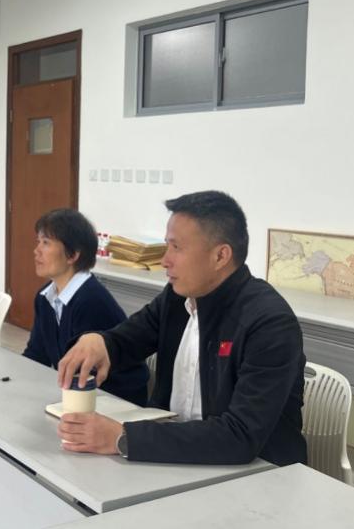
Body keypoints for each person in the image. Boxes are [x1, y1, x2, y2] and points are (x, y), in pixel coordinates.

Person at [56, 191, 306, 466]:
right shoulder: (178, 298)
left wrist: (123, 437)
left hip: (257, 472)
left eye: (176, 248)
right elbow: (127, 340)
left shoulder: (269, 323)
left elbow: (240, 436)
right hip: (174, 455)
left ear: (220, 256)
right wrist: (99, 341)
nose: (165, 260)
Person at [23, 208, 149, 405]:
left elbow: (87, 374)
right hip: (77, 392)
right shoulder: (45, 296)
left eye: (46, 243)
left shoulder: (90, 300)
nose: (36, 250)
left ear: (72, 255)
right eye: (38, 241)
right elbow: (36, 355)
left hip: (115, 399)